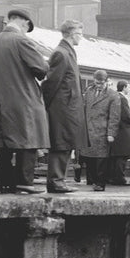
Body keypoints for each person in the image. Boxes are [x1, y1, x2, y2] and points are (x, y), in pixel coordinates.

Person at [0, 8, 48, 194]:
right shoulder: (21, 40)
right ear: (24, 22)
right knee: (28, 139)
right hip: (23, 100)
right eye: (27, 28)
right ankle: (24, 182)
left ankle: (4, 183)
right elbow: (41, 68)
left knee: (3, 143)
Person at [41, 19, 88, 193]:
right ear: (72, 34)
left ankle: (59, 180)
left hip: (67, 107)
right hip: (62, 109)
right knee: (61, 143)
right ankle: (56, 181)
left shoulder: (67, 52)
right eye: (80, 34)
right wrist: (47, 105)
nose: (81, 37)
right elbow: (51, 82)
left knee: (66, 143)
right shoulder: (61, 53)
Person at [82, 70, 120, 191]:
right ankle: (93, 180)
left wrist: (111, 133)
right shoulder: (88, 92)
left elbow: (115, 116)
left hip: (102, 132)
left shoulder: (113, 95)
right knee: (89, 157)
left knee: (101, 159)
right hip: (88, 130)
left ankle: (100, 183)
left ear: (106, 81)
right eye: (97, 82)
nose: (99, 85)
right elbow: (83, 109)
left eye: (101, 83)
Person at [109, 81, 130, 185]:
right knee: (123, 156)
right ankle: (120, 178)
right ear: (124, 87)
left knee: (116, 156)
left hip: (117, 130)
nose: (129, 89)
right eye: (128, 87)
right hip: (124, 130)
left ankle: (113, 177)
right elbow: (127, 116)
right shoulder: (123, 99)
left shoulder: (115, 97)